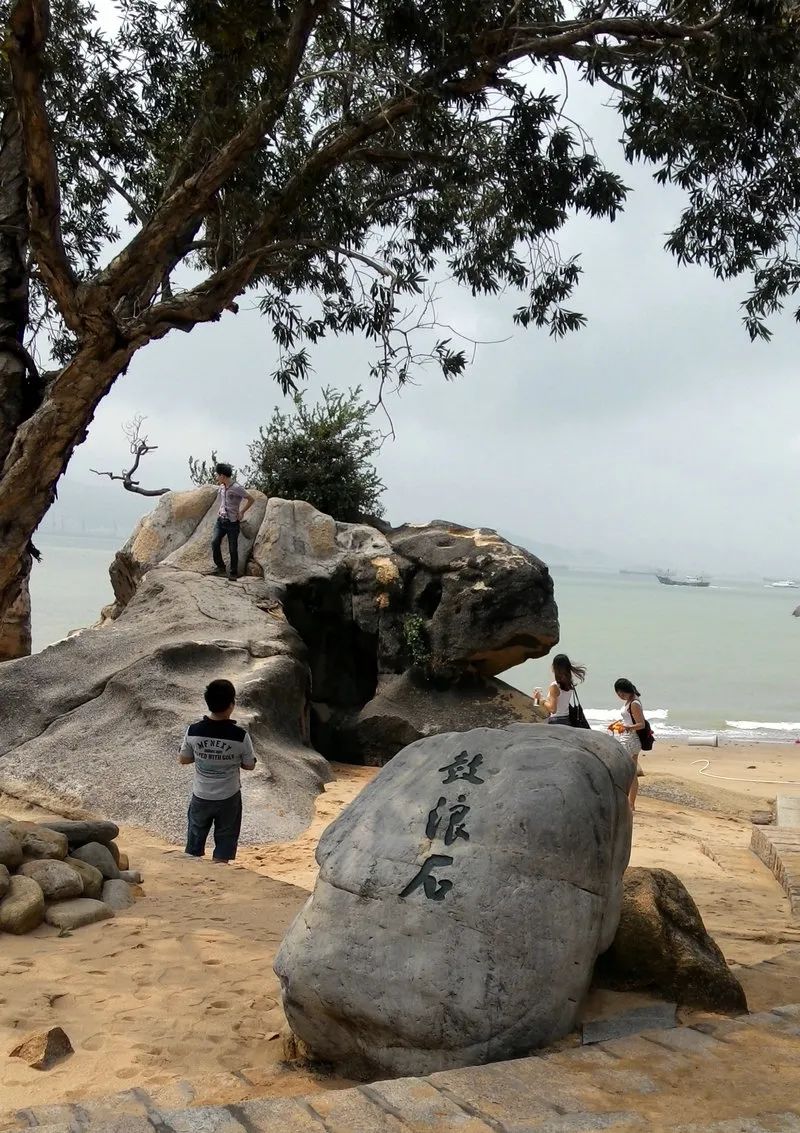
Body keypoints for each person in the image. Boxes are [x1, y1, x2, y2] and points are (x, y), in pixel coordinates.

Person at [178, 678, 256, 863]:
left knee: (195, 839)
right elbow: (249, 765)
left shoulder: (194, 730)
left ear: (208, 702)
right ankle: (219, 869)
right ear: (231, 705)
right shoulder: (240, 736)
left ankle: (192, 870)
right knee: (226, 838)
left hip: (201, 795)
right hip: (229, 797)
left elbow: (184, 759)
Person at [212, 462, 255, 580]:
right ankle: (220, 567)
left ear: (223, 476)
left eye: (217, 475)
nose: (216, 477)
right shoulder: (221, 487)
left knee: (232, 548)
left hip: (232, 522)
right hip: (221, 520)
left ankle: (233, 573)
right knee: (214, 542)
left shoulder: (237, 488)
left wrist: (242, 512)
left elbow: (251, 499)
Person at [609, 677, 645, 810]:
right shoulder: (630, 701)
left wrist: (627, 728)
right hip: (627, 738)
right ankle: (630, 803)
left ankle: (629, 803)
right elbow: (629, 718)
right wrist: (618, 724)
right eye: (618, 694)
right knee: (631, 771)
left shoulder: (634, 703)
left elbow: (641, 724)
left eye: (622, 693)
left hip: (631, 740)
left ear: (628, 690)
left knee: (628, 771)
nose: (620, 696)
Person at [532, 653, 587, 725]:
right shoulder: (569, 684)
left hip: (556, 721)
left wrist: (542, 700)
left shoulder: (554, 686)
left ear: (555, 668)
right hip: (567, 720)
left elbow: (553, 710)